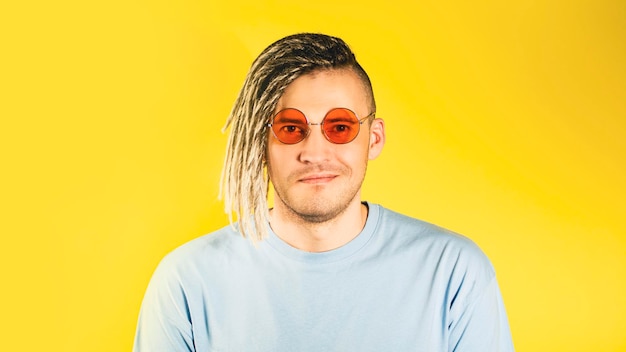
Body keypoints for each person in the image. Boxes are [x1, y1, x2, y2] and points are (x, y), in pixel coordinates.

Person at [133, 33, 514, 351]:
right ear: (260, 144)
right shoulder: (186, 282)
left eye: (340, 126)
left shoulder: (454, 274)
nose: (314, 153)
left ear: (374, 138)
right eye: (291, 128)